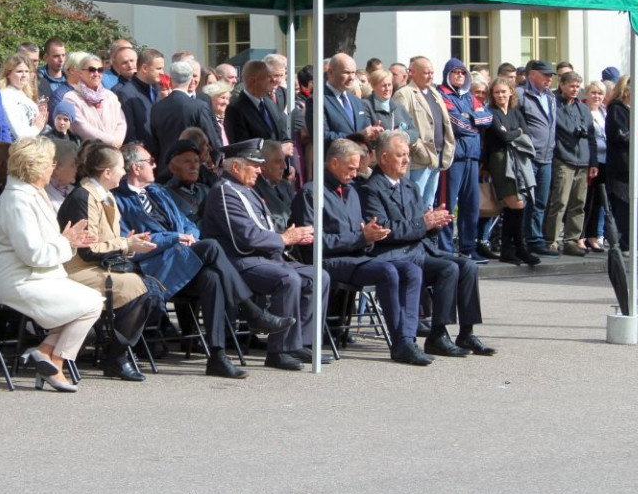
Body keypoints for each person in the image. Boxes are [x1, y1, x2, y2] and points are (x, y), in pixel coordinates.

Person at [115, 143, 294, 378]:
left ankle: (217, 356)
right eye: (150, 162)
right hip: (155, 267)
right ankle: (252, 312)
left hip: (183, 260)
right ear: (136, 168)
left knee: (212, 277)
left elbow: (186, 223)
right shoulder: (119, 200)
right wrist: (174, 238)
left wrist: (190, 236)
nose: (155, 165)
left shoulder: (157, 192)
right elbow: (130, 243)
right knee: (211, 247)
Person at [291, 139, 429, 365]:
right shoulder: (311, 193)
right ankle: (399, 344)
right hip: (328, 261)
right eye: (351, 168)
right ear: (334, 163)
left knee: (412, 270)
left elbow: (362, 232)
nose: (355, 174)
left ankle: (407, 338)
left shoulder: (352, 192)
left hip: (357, 257)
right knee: (387, 272)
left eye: (357, 169)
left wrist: (371, 236)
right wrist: (360, 238)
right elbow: (313, 242)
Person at [360, 131, 495, 358]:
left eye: (407, 155)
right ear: (383, 158)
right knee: (448, 269)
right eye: (400, 155)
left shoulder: (409, 186)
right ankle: (437, 335)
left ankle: (466, 332)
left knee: (468, 265)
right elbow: (385, 230)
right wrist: (424, 223)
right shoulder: (370, 189)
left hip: (419, 249)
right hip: (393, 253)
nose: (406, 160)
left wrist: (436, 222)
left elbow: (421, 220)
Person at [202, 140, 326, 371]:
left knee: (318, 276)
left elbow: (263, 231)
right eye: (254, 164)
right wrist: (284, 239)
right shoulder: (224, 192)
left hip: (266, 258)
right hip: (240, 262)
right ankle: (278, 351)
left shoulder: (247, 192)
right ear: (236, 168)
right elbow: (246, 237)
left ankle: (299, 342)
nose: (260, 169)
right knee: (287, 280)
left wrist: (289, 238)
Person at [0, 138, 104, 392]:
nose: (53, 168)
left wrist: (71, 241)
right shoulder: (17, 200)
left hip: (42, 275)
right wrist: (66, 242)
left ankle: (46, 354)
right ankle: (56, 361)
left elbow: (47, 243)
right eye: (50, 163)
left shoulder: (33, 193)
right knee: (91, 303)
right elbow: (33, 254)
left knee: (91, 301)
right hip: (21, 280)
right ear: (36, 166)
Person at [56, 144, 161, 381]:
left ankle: (116, 353)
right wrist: (126, 244)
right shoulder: (83, 197)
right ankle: (116, 357)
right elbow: (88, 250)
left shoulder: (107, 196)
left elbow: (109, 242)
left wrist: (130, 242)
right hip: (76, 270)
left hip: (98, 267)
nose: (124, 172)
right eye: (121, 168)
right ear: (107, 173)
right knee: (141, 290)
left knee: (150, 289)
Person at [437, 58, 492, 261]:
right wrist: (474, 120)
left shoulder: (470, 97)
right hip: (453, 157)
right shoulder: (443, 94)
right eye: (455, 72)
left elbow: (488, 118)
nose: (459, 75)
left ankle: (468, 246)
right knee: (447, 205)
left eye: (462, 72)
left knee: (471, 205)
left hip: (472, 156)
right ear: (448, 74)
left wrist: (472, 119)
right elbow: (457, 123)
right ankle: (445, 248)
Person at [483, 78, 538, 266]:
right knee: (517, 204)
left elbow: (527, 132)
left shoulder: (515, 112)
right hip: (499, 162)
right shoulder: (491, 112)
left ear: (511, 93)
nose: (500, 95)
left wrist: (514, 132)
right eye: (497, 92)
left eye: (503, 92)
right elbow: (504, 136)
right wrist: (517, 132)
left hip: (518, 162)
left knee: (513, 206)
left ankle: (509, 248)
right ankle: (519, 247)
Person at [544, 71, 597, 257]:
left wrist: (593, 162)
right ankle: (551, 239)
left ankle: (572, 239)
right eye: (572, 86)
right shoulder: (554, 104)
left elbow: (591, 136)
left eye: (577, 86)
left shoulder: (582, 108)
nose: (575, 90)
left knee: (578, 203)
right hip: (563, 159)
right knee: (559, 201)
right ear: (562, 85)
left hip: (582, 160)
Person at [393, 56, 454, 208]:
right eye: (426, 73)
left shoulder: (434, 92)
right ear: (412, 72)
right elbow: (402, 127)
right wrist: (419, 149)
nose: (430, 76)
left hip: (437, 156)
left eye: (432, 72)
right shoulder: (404, 94)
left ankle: (427, 232)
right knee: (415, 202)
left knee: (429, 203)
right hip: (418, 159)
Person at [604, 76, 638, 258]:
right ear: (626, 91)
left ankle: (637, 243)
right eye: (637, 89)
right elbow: (620, 137)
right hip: (623, 167)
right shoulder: (616, 110)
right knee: (625, 206)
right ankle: (625, 245)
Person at [516, 60, 559, 258]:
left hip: (546, 156)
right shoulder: (521, 94)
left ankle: (535, 238)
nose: (549, 79)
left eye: (551, 76)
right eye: (545, 75)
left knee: (541, 201)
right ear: (533, 74)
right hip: (529, 156)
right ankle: (523, 239)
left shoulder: (550, 97)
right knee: (525, 199)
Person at [150, 59, 219, 178]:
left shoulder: (157, 107)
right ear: (190, 79)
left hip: (165, 170)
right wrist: (215, 160)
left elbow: (154, 142)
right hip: (193, 170)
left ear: (170, 79)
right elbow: (212, 138)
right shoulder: (199, 106)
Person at [225, 60, 293, 156]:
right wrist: (278, 150)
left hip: (279, 168)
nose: (272, 80)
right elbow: (243, 150)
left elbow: (285, 137)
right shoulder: (235, 110)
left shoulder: (269, 103)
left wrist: (291, 167)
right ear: (254, 81)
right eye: (268, 77)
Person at [63, 53, 127, 147]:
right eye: (91, 70)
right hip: (89, 154)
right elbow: (82, 128)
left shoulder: (111, 96)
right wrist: (111, 142)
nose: (96, 74)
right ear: (80, 72)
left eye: (100, 70)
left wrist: (117, 141)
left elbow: (121, 122)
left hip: (113, 153)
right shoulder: (70, 98)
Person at [114, 47, 164, 148]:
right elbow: (129, 133)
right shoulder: (125, 93)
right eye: (158, 69)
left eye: (162, 68)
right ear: (145, 68)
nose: (162, 72)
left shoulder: (159, 89)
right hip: (142, 156)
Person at [582, 81, 609, 253]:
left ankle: (593, 236)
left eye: (600, 93)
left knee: (598, 201)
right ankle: (581, 236)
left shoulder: (603, 112)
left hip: (605, 160)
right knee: (586, 201)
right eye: (593, 93)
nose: (596, 96)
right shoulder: (584, 111)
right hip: (590, 160)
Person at [0, 54, 47, 141]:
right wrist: (37, 127)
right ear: (8, 74)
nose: (24, 75)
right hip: (17, 149)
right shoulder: (5, 96)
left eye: (27, 71)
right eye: (19, 71)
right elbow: (19, 134)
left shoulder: (25, 96)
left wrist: (41, 119)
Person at [163, 139, 211, 225]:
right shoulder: (165, 195)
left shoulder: (205, 190)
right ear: (173, 167)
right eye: (187, 161)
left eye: (196, 161)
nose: (194, 166)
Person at [365, 68, 419, 141]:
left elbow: (414, 131)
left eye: (389, 85)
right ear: (373, 86)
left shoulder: (399, 107)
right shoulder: (365, 106)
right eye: (383, 85)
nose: (387, 89)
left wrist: (403, 135)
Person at [253, 140, 294, 233]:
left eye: (284, 161)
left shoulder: (285, 186)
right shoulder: (253, 189)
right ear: (263, 165)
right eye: (278, 162)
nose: (284, 166)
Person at [45, 139, 79, 211]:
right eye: (72, 165)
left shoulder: (74, 191)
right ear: (56, 168)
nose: (76, 169)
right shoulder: (44, 194)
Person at [203, 80, 233, 149]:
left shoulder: (229, 120)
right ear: (210, 98)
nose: (226, 102)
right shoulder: (207, 120)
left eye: (228, 99)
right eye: (222, 98)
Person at [37, 37, 68, 102]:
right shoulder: (37, 79)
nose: (61, 60)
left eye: (63, 55)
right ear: (46, 57)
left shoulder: (71, 78)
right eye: (56, 56)